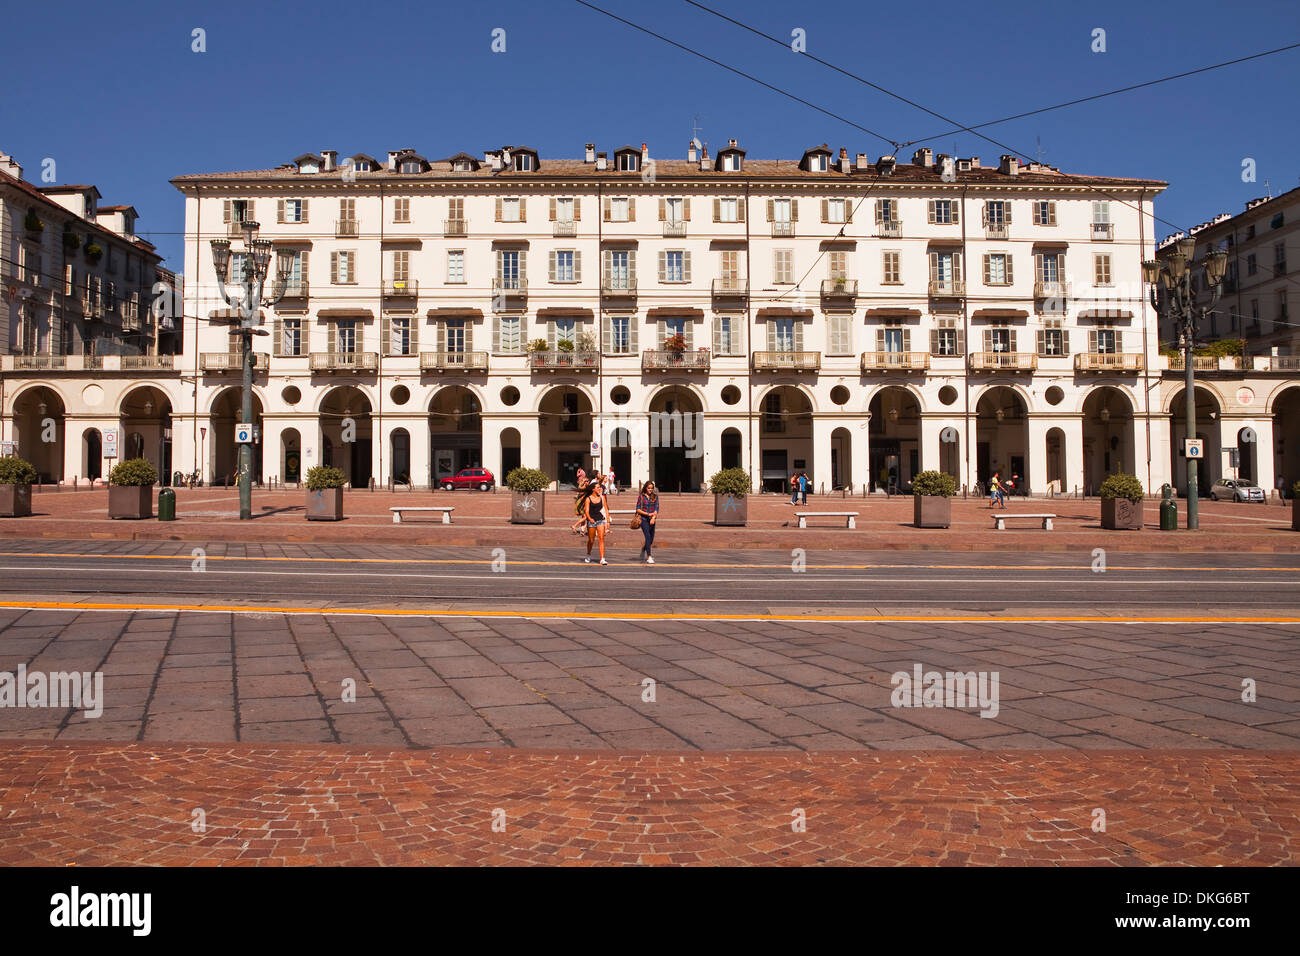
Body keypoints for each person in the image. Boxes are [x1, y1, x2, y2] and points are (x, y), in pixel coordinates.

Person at [583, 475, 609, 565]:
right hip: (591, 520)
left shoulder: (602, 498)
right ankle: (588, 554)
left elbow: (606, 509)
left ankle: (602, 558)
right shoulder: (588, 498)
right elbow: (586, 511)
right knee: (591, 540)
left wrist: (608, 522)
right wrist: (590, 519)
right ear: (593, 489)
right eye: (598, 487)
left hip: (600, 519)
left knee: (601, 538)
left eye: (600, 487)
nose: (599, 489)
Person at [635, 480, 659, 564]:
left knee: (651, 540)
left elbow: (656, 508)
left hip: (652, 519)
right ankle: (649, 556)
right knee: (648, 537)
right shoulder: (641, 497)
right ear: (645, 488)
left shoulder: (655, 497)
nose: (650, 490)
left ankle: (644, 548)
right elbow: (638, 509)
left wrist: (653, 517)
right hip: (643, 519)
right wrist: (648, 514)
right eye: (649, 488)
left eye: (652, 488)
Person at [570, 468, 590, 535]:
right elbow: (581, 495)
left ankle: (582, 530)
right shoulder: (583, 488)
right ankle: (574, 525)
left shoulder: (583, 487)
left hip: (582, 503)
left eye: (588, 481)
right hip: (582, 504)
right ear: (584, 482)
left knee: (583, 517)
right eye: (587, 481)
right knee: (585, 517)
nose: (588, 482)